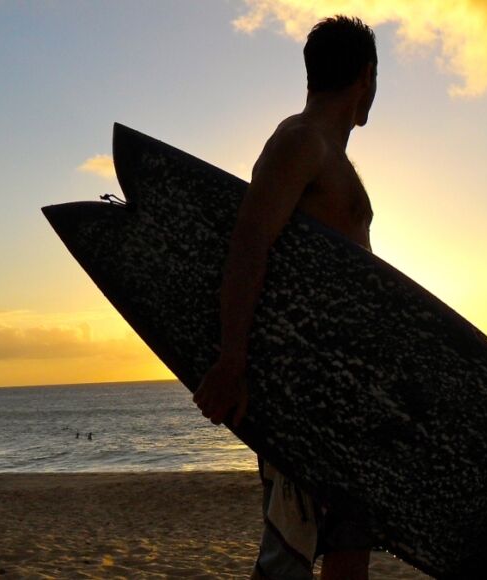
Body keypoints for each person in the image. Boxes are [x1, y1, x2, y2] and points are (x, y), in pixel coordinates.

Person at [192, 15, 379, 580]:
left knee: (349, 549)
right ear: (367, 77)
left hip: (348, 389)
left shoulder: (332, 155)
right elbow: (249, 241)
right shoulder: (301, 141)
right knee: (290, 556)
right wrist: (232, 359)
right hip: (308, 389)